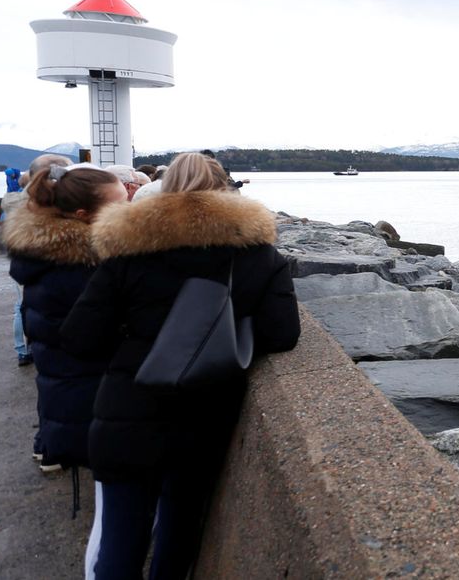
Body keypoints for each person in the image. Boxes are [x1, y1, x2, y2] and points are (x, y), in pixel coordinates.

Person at [63, 153, 299, 579]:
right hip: (203, 419)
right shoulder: (259, 256)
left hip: (126, 413)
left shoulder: (127, 252)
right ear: (225, 191)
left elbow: (80, 339)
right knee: (178, 535)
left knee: (120, 541)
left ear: (164, 190)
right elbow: (282, 335)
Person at [4, 164, 124, 480]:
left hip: (69, 393)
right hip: (89, 400)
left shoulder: (49, 258)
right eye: (120, 206)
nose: (129, 212)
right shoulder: (80, 269)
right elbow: (99, 332)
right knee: (113, 501)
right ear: (84, 215)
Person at [9, 154, 73, 368]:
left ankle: (24, 350)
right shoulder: (59, 217)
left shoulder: (22, 212)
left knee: (22, 305)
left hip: (48, 346)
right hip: (70, 345)